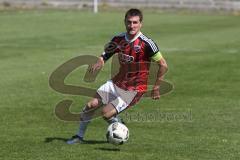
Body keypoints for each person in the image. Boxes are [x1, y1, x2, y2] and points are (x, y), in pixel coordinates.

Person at [67, 8, 168, 144]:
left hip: (134, 89)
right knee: (90, 105)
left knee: (106, 113)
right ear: (124, 22)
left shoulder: (147, 43)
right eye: (129, 22)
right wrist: (100, 60)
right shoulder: (118, 39)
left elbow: (163, 65)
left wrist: (156, 87)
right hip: (117, 82)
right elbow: (106, 54)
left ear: (140, 24)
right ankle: (79, 137)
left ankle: (120, 126)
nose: (131, 26)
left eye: (135, 22)